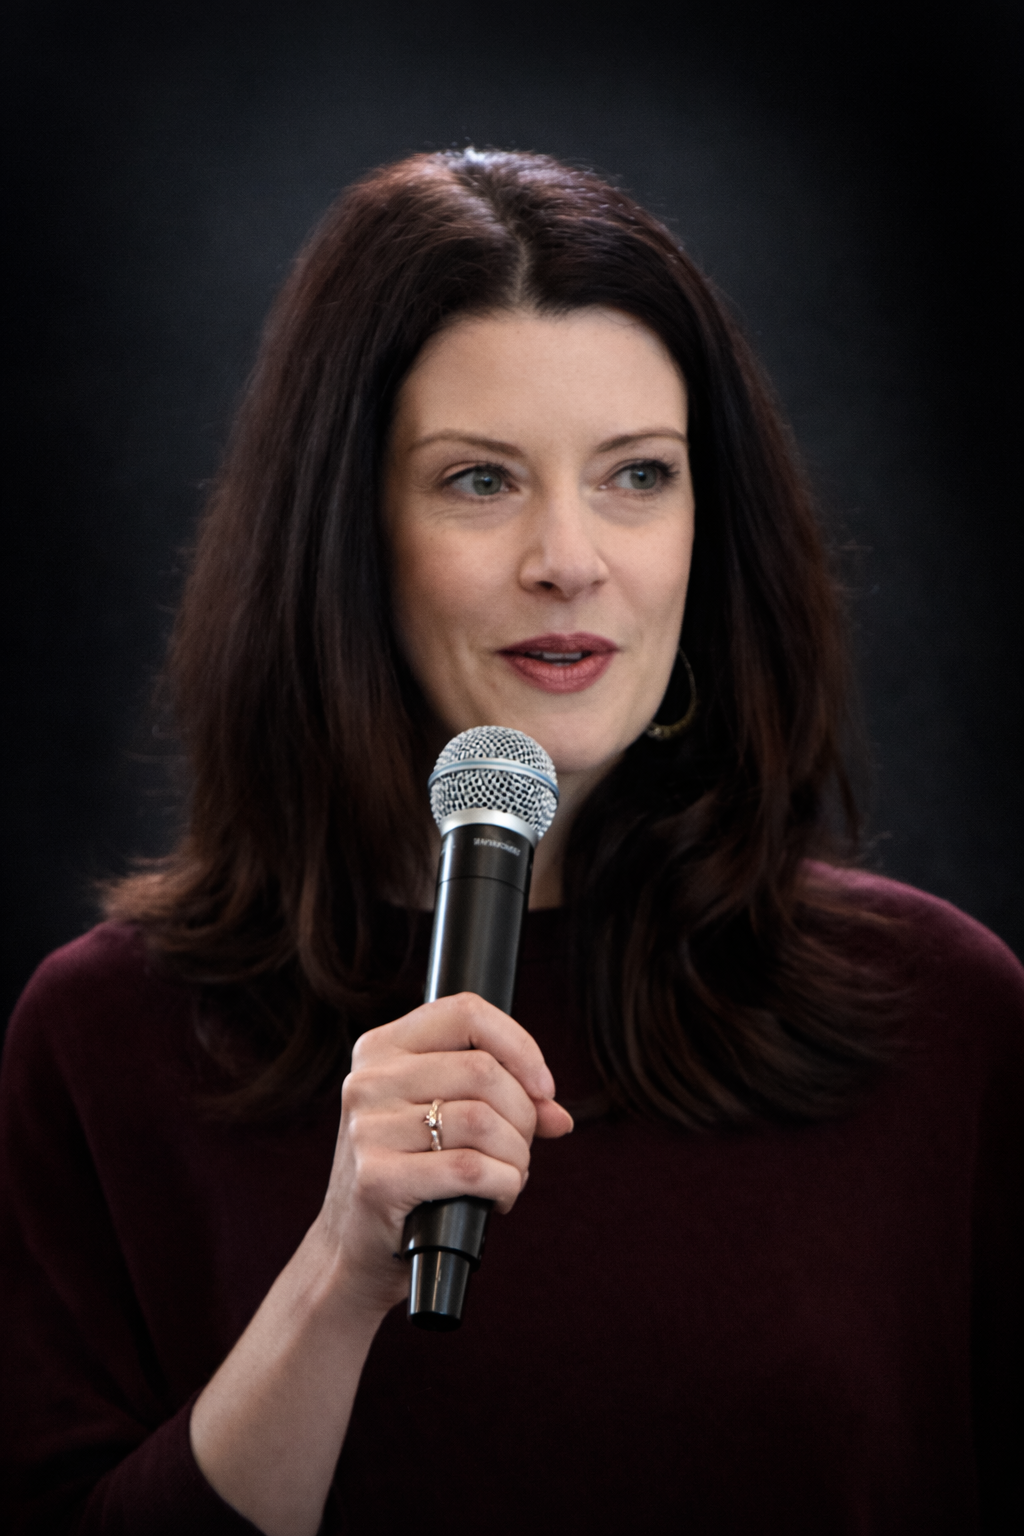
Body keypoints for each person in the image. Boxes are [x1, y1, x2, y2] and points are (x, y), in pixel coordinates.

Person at [1, 149, 1021, 1536]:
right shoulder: (103, 1039)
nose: (570, 556)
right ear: (346, 535)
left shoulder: (944, 1019)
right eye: (480, 480)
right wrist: (340, 1270)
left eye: (637, 476)